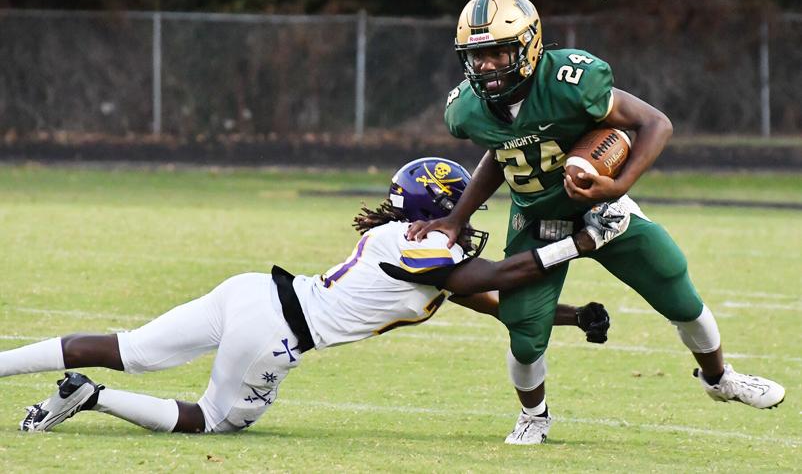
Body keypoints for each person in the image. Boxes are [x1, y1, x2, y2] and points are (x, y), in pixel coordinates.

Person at [1, 157, 627, 437]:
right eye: (460, 208)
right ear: (434, 212)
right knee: (212, 420)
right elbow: (475, 281)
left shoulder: (404, 241)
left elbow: (481, 300)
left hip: (250, 293)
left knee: (127, 346)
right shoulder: (424, 248)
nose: (469, 217)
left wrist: (570, 317)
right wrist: (579, 243)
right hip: (276, 332)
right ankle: (93, 395)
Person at [407, 0, 785, 445]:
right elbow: (500, 152)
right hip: (536, 218)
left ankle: (719, 378)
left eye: (496, 52)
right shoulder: (467, 107)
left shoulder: (570, 79)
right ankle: (534, 416)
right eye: (476, 55)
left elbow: (655, 123)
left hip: (601, 208)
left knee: (677, 288)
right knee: (525, 331)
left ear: (527, 46)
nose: (484, 65)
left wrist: (618, 185)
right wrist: (457, 218)